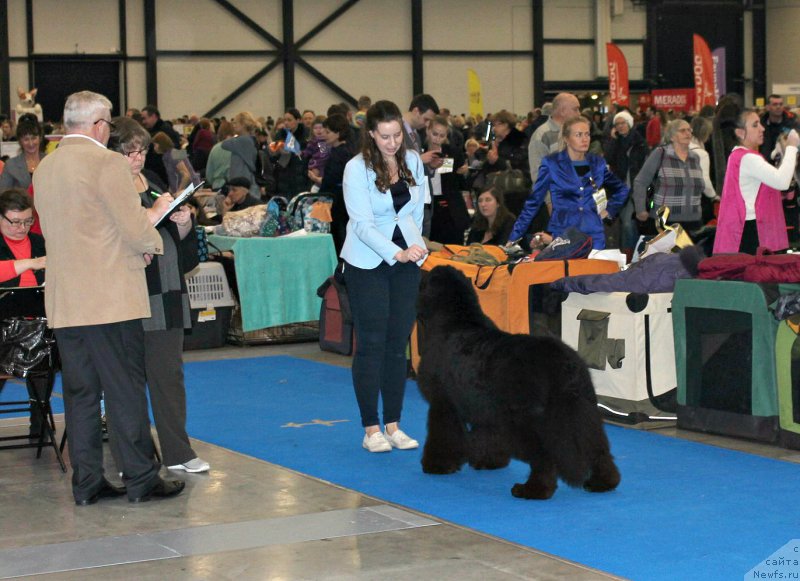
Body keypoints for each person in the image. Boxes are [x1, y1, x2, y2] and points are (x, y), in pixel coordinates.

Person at [33, 90, 185, 505]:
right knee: (124, 390)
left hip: (66, 301)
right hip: (110, 299)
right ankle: (140, 477)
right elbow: (134, 229)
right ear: (100, 126)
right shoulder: (108, 163)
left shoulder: (45, 168)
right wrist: (154, 226)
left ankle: (86, 483)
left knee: (81, 395)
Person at [107, 116, 210, 474]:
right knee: (129, 381)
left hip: (166, 293)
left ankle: (178, 452)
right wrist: (152, 217)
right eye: (129, 152)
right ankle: (132, 459)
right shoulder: (109, 190)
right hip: (130, 294)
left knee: (169, 376)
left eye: (142, 151)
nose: (137, 158)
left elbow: (171, 244)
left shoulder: (149, 182)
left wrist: (182, 224)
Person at [340, 100, 428, 453]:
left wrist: (415, 247)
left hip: (407, 262)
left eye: (397, 136)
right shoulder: (355, 169)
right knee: (372, 344)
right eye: (385, 137)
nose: (392, 143)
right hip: (367, 264)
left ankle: (394, 423)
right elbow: (361, 225)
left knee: (397, 346)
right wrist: (396, 252)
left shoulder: (413, 161)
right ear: (372, 135)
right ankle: (370, 427)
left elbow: (418, 208)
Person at [508, 116, 629, 250]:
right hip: (563, 233)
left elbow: (622, 189)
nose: (585, 139)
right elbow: (534, 202)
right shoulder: (551, 163)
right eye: (578, 135)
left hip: (594, 235)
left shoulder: (597, 163)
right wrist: (514, 237)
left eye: (587, 134)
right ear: (566, 139)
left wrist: (610, 209)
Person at [714, 110, 800, 254]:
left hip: (747, 227)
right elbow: (782, 182)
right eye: (755, 125)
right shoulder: (749, 159)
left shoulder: (737, 156)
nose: (762, 128)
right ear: (740, 133)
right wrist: (791, 147)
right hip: (752, 230)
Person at [0, 188, 47, 438]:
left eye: (27, 221)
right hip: (3, 328)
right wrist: (31, 263)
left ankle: (39, 421)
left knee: (44, 356)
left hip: (38, 327)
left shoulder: (40, 241)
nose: (22, 228)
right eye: (15, 222)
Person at [632, 119, 707, 232]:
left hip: (694, 221)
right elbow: (640, 182)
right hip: (665, 222)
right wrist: (640, 209)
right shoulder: (661, 154)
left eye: (689, 130)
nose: (688, 133)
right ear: (672, 137)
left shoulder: (695, 157)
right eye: (682, 131)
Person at [604, 110, 649, 250]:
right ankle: (632, 252)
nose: (620, 126)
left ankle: (632, 252)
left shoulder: (640, 143)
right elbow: (608, 158)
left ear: (629, 123)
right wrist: (613, 140)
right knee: (627, 223)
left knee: (628, 223)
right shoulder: (615, 143)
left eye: (623, 123)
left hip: (637, 189)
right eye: (617, 124)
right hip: (621, 189)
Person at [424, 115, 471, 244]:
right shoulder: (419, 153)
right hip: (430, 210)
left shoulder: (453, 153)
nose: (437, 139)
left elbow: (462, 184)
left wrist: (464, 173)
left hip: (451, 211)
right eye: (435, 134)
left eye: (442, 136)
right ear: (427, 130)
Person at [316, 114, 354, 254]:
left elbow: (331, 179)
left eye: (328, 132)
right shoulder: (345, 150)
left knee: (338, 235)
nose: (324, 135)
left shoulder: (339, 154)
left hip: (337, 201)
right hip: (342, 198)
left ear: (338, 133)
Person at [528, 93, 580, 185]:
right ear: (563, 111)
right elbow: (539, 177)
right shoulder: (541, 136)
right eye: (575, 109)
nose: (579, 114)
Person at [0, 114, 46, 190]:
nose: (31, 143)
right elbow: (4, 195)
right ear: (20, 141)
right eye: (26, 139)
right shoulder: (10, 165)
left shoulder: (50, 161)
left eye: (34, 138)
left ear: (40, 138)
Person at [760, 94, 799, 162]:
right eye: (775, 104)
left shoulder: (792, 123)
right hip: (765, 164)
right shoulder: (761, 124)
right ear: (768, 107)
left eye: (781, 104)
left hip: (787, 162)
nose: (778, 107)